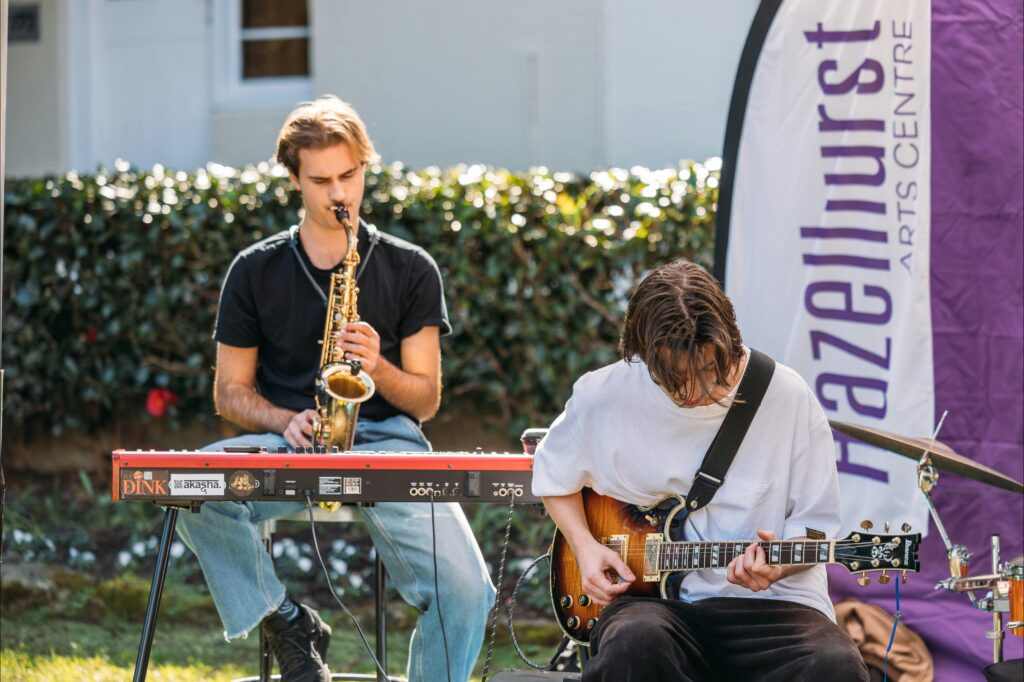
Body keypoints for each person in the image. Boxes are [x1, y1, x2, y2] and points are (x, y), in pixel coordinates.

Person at [176, 95, 495, 682]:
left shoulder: (411, 267)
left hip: (389, 448)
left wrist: (380, 365)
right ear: (295, 180)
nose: (339, 193)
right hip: (294, 444)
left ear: (365, 168)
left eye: (349, 175)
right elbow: (229, 392)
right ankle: (287, 620)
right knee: (190, 486)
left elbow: (426, 399)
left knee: (469, 590)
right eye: (321, 179)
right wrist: (282, 421)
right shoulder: (254, 270)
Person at [532, 259, 869, 681]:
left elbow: (817, 529)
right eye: (674, 378)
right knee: (633, 646)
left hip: (776, 611)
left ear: (730, 340)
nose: (694, 392)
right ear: (640, 355)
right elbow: (552, 474)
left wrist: (778, 566)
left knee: (834, 664)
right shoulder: (603, 395)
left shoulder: (788, 397)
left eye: (710, 371)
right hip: (653, 608)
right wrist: (584, 547)